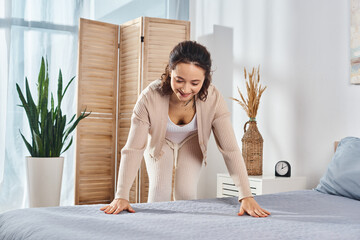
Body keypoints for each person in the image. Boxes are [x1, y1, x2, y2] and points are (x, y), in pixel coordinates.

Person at [100, 41, 270, 218]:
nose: (185, 89)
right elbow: (133, 149)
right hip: (160, 142)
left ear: (205, 79)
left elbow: (230, 149)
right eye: (179, 80)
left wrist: (246, 195)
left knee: (186, 194)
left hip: (191, 141)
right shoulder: (149, 97)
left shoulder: (213, 98)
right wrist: (121, 195)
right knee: (159, 192)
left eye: (195, 83)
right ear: (170, 71)